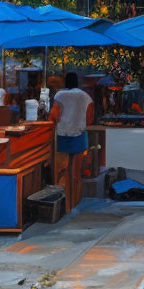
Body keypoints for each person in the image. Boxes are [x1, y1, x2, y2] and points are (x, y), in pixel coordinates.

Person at [49, 72, 94, 211]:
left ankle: (64, 206)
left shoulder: (59, 95)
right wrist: (79, 124)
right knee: (76, 175)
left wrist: (60, 123)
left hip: (62, 136)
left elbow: (53, 116)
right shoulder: (86, 97)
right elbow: (90, 117)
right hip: (79, 137)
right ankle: (76, 203)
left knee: (62, 173)